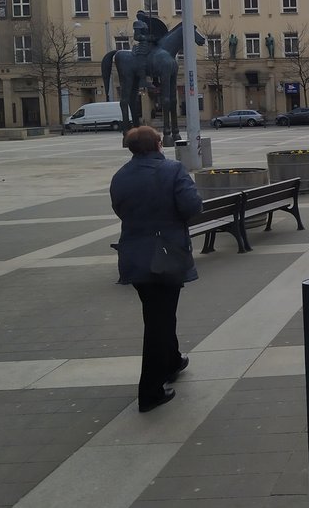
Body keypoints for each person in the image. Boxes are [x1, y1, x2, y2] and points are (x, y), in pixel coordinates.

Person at [110, 126, 203, 413]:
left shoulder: (121, 175)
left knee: (158, 312)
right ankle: (150, 391)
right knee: (158, 321)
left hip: (135, 255)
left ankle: (173, 361)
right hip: (166, 253)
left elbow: (119, 208)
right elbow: (192, 207)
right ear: (158, 145)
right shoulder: (173, 170)